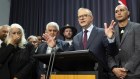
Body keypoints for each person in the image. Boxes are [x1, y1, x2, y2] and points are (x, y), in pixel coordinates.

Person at [43, 8, 117, 79]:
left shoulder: (102, 32)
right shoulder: (76, 38)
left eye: (85, 15)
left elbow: (112, 53)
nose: (82, 18)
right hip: (81, 75)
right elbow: (66, 56)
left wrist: (110, 39)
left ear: (91, 18)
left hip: (99, 75)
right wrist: (54, 47)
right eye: (79, 17)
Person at [107, 4, 140, 79]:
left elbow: (139, 50)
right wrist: (114, 68)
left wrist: (125, 68)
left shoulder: (137, 27)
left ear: (128, 13)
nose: (119, 13)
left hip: (133, 74)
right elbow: (108, 53)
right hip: (115, 74)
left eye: (121, 10)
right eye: (116, 11)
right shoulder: (111, 30)